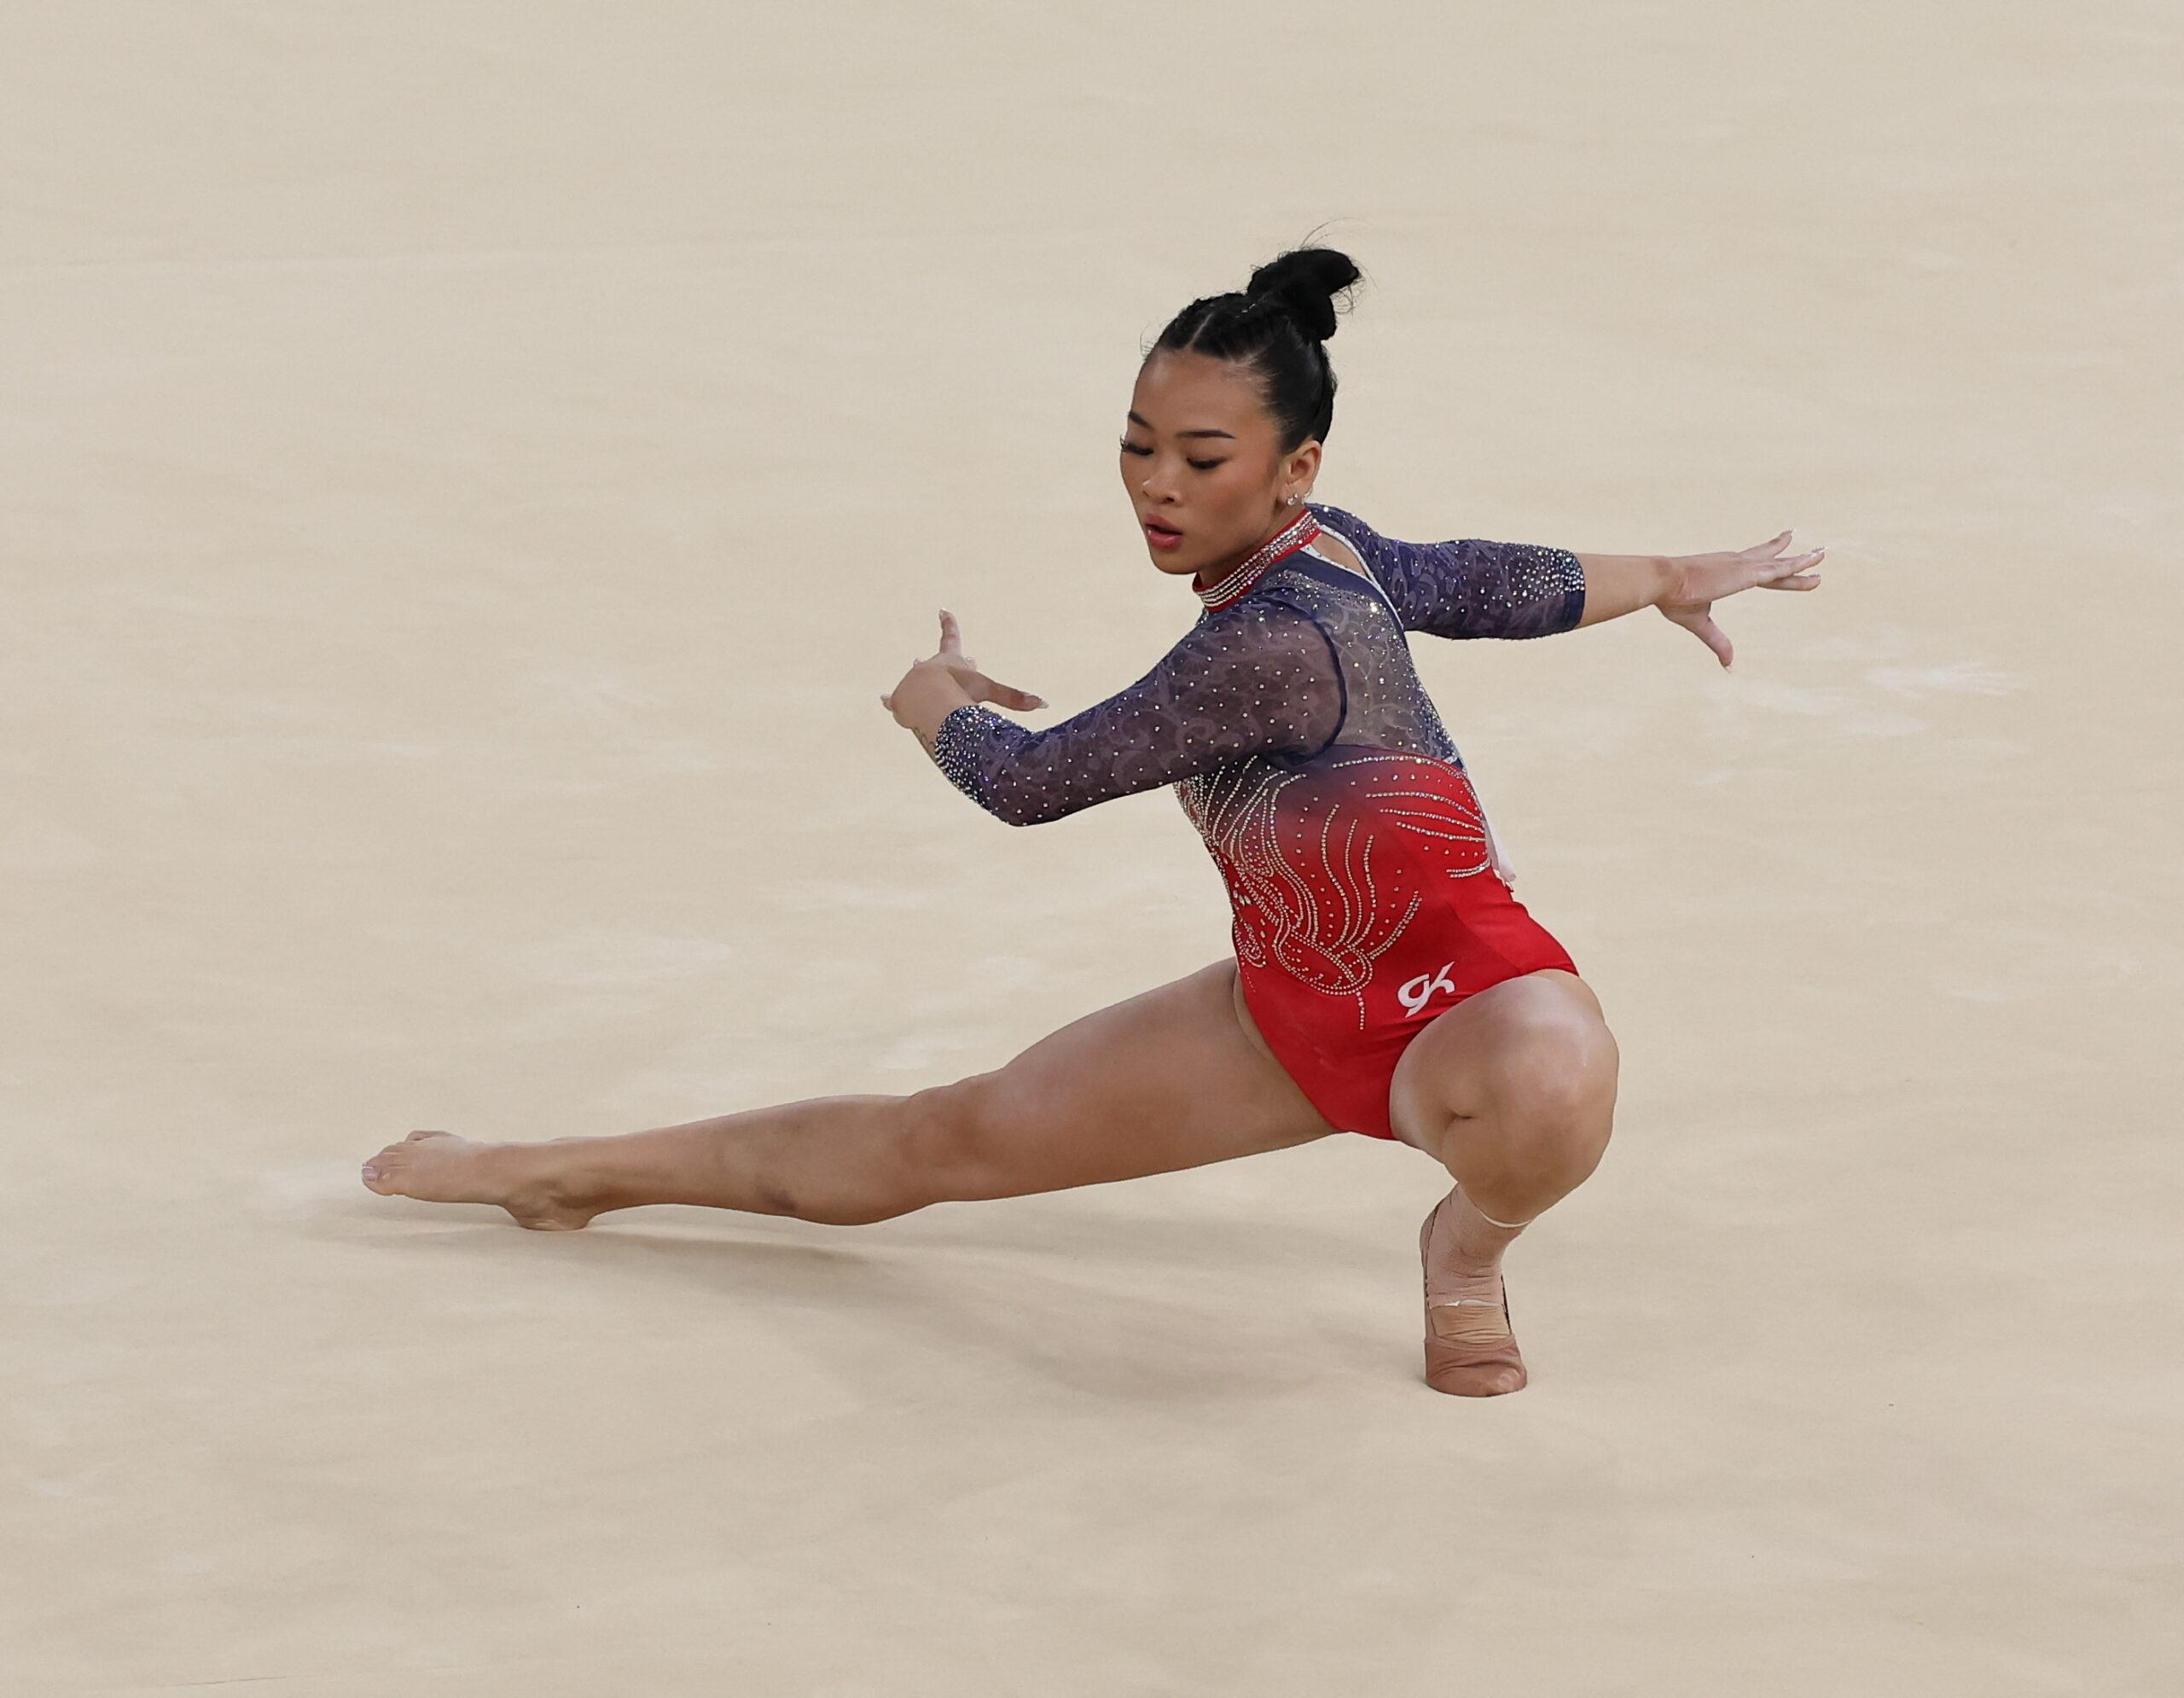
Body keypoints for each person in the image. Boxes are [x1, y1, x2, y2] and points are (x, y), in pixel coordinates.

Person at [361, 246, 1822, 1397]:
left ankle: (1469, 1243)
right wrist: (1671, 570)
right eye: (1138, 447)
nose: (1157, 489)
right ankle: (551, 1175)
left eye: (1201, 457)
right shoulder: (1314, 557)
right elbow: (1484, 582)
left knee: (1561, 1083)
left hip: (1463, 1003)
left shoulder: (1273, 635)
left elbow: (1031, 778)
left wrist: (928, 696)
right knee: (941, 1137)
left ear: (1294, 470)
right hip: (1289, 1002)